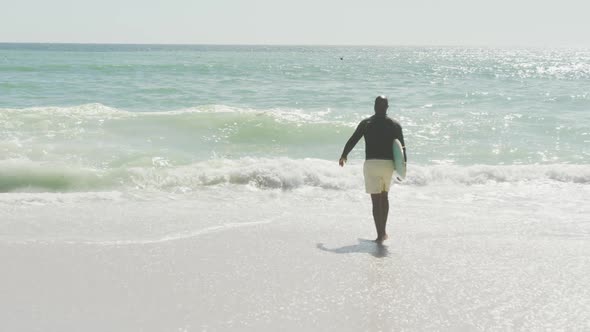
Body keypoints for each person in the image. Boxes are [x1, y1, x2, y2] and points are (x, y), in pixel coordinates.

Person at [339, 96, 406, 243]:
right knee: (385, 197)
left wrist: (344, 155)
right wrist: (402, 170)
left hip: (371, 165)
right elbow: (401, 149)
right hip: (388, 165)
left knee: (375, 201)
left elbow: (353, 139)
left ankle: (379, 235)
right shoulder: (395, 125)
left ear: (374, 106)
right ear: (387, 107)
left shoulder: (366, 123)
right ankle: (384, 233)